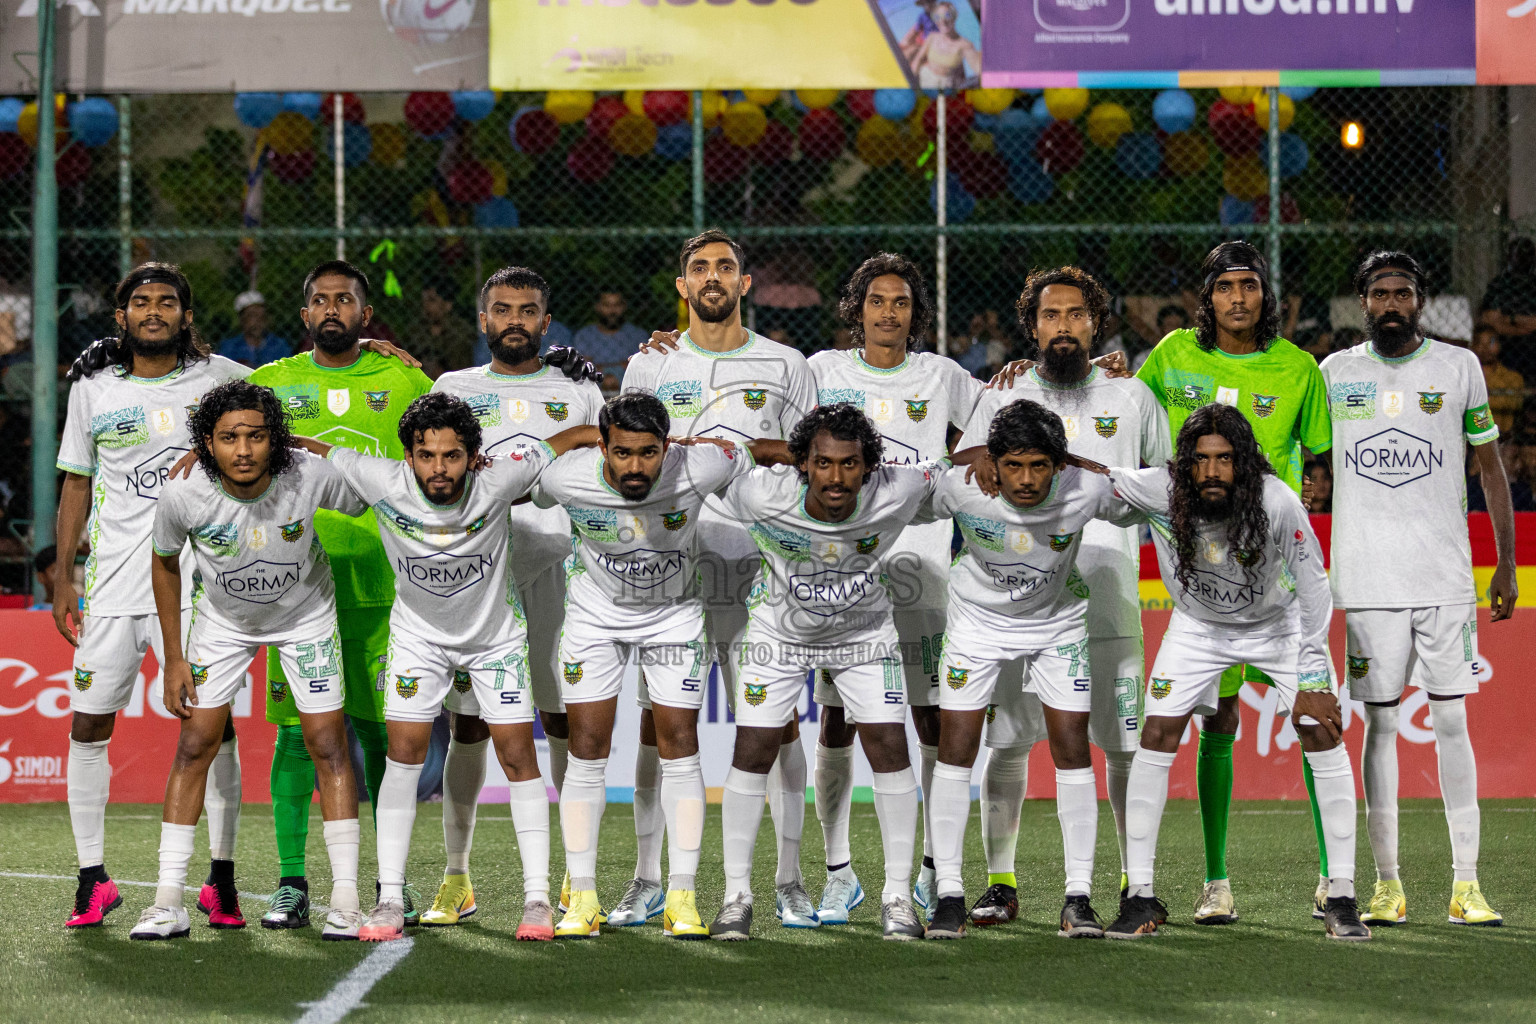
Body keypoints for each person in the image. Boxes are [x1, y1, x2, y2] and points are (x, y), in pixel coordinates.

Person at [303, 393, 597, 942]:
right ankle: (390, 898)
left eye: (453, 455)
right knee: (404, 755)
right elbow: (319, 450)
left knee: (515, 755)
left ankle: (536, 899)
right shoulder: (382, 479)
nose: (439, 468)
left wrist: (600, 435)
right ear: (408, 455)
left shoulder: (500, 481)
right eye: (427, 455)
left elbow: (563, 440)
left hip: (495, 642)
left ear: (474, 455)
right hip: (419, 643)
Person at [1093, 403, 1368, 942]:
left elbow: (1314, 588)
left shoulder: (1277, 501)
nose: (1211, 471)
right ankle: (1140, 896)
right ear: (1184, 466)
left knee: (1322, 732)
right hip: (1197, 627)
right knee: (1157, 732)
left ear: (1242, 463)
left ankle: (1341, 895)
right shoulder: (1161, 490)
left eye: (1223, 460)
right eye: (1200, 461)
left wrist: (1313, 678)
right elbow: (1094, 481)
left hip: (1277, 626)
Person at [710, 404, 981, 941]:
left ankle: (897, 897)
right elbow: (711, 460)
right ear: (802, 464)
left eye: (850, 464)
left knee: (888, 745)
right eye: (824, 463)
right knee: (753, 749)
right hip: (779, 634)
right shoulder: (761, 494)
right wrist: (757, 448)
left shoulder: (897, 489)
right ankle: (736, 895)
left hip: (863, 633)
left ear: (869, 466)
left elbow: (952, 467)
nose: (837, 477)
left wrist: (989, 457)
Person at [960, 267, 1171, 927]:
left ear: (1096, 321)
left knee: (1124, 745)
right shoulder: (1000, 395)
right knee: (1010, 742)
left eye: (1077, 314)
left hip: (1108, 593)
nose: (1064, 326)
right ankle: (1001, 881)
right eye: (1051, 315)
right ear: (1031, 326)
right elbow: (967, 478)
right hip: (1017, 595)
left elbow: (1166, 486)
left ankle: (1137, 887)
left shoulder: (1133, 396)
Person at [621, 229, 819, 930]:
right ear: (682, 287)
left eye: (725, 267)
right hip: (672, 576)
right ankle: (648, 877)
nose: (712, 276)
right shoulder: (649, 367)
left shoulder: (787, 364)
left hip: (763, 575)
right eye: (699, 267)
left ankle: (790, 878)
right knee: (657, 726)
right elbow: (628, 469)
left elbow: (812, 468)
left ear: (745, 282)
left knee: (777, 728)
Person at [1134, 240, 1336, 924]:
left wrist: (1307, 500)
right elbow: (1128, 409)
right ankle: (1216, 881)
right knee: (1216, 720)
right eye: (1226, 287)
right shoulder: (1171, 356)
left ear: (1264, 295)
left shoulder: (1299, 368)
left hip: (1273, 569)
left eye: (1250, 286)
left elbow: (1319, 463)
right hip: (1204, 573)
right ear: (1209, 296)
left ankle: (1330, 876)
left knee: (1311, 715)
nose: (1239, 298)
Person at [1321, 251, 1518, 929]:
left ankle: (1467, 885)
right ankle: (1386, 885)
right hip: (1369, 581)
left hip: (1445, 580)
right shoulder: (1334, 374)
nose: (1392, 304)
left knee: (1453, 721)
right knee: (1378, 725)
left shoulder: (1458, 367)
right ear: (1363, 302)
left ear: (1422, 301)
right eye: (1379, 294)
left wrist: (1507, 561)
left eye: (1403, 293)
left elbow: (1489, 465)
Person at [52, 263, 249, 930]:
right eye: (141, 302)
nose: (154, 311)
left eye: (168, 302)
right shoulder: (93, 386)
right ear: (121, 316)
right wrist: (61, 576)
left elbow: (293, 394)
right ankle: (91, 879)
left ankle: (220, 879)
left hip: (202, 589)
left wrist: (371, 347)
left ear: (187, 315)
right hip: (111, 588)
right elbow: (76, 482)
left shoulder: (221, 380)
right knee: (88, 724)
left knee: (210, 731)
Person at [136, 380, 367, 940]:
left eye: (258, 437)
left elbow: (365, 496)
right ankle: (168, 899)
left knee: (329, 745)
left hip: (306, 616)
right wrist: (174, 657)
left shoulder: (307, 476)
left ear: (275, 440)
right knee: (195, 746)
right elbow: (164, 563)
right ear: (206, 443)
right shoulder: (184, 493)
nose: (243, 450)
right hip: (222, 625)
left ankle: (346, 899)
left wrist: (310, 445)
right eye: (228, 438)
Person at [531, 393, 761, 941]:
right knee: (587, 750)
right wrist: (575, 434)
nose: (636, 467)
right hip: (594, 618)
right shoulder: (568, 478)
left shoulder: (700, 463)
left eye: (650, 453)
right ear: (602, 446)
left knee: (680, 743)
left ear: (669, 445)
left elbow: (744, 455)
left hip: (674, 616)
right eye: (623, 452)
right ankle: (582, 897)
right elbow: (528, 477)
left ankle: (681, 895)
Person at [248, 261, 435, 930]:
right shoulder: (271, 383)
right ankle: (292, 882)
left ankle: (392, 881)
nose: (333, 308)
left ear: (366, 314)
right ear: (304, 315)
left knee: (385, 736)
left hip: (387, 591)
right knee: (298, 738)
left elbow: (446, 445)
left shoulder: (402, 379)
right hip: (295, 592)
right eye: (320, 299)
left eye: (346, 299)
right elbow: (213, 427)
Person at [923, 399, 1145, 939]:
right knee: (956, 752)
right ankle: (949, 894)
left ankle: (1078, 897)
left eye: (1040, 465)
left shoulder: (1085, 488)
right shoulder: (960, 487)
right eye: (1013, 465)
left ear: (1060, 464)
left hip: (1057, 626)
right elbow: (889, 486)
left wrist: (1100, 468)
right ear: (992, 462)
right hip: (976, 625)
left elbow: (1157, 495)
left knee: (1072, 749)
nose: (1026, 480)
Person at [806, 253, 983, 922]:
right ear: (858, 309)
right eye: (877, 301)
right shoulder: (824, 371)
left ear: (915, 312)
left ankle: (934, 868)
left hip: (925, 575)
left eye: (901, 302)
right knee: (838, 718)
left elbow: (986, 437)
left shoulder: (942, 376)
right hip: (843, 576)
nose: (889, 312)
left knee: (930, 716)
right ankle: (838, 871)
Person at [426, 267, 605, 927]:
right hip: (480, 579)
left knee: (563, 721)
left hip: (563, 570)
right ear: (483, 319)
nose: (514, 320)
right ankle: (457, 878)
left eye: (528, 309)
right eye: (502, 309)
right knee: (468, 726)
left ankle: (574, 878)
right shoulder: (454, 389)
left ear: (546, 322)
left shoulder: (579, 393)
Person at [1478, 236, 1536, 377]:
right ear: (1509, 257)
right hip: (1504, 346)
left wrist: (1508, 318)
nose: (1521, 259)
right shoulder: (1499, 284)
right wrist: (1522, 324)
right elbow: (1489, 320)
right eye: (1518, 254)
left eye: (1526, 255)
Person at [571, 288, 649, 388]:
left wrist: (600, 367)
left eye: (617, 305)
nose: (612, 311)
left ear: (624, 306)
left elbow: (640, 370)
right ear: (598, 307)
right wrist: (621, 366)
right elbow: (582, 371)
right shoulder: (584, 335)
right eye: (607, 305)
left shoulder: (638, 335)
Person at [414, 278, 477, 379]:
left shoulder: (460, 330)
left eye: (432, 300)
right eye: (424, 300)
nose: (425, 305)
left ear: (448, 305)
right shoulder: (420, 328)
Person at [911, 1, 981, 90]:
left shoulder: (965, 44)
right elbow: (918, 59)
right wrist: (913, 85)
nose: (942, 20)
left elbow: (978, 68)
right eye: (937, 17)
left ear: (954, 17)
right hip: (924, 78)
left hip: (944, 86)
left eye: (947, 15)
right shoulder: (932, 37)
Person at [1471, 323, 1525, 436]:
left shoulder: (1513, 378)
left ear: (1499, 345)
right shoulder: (1467, 377)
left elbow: (1515, 411)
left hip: (1505, 438)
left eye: (1491, 342)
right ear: (1472, 346)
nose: (1485, 348)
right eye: (1479, 342)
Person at [217, 291, 291, 368]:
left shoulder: (279, 346)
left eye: (261, 316)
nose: (258, 321)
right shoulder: (230, 347)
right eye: (252, 316)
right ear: (241, 319)